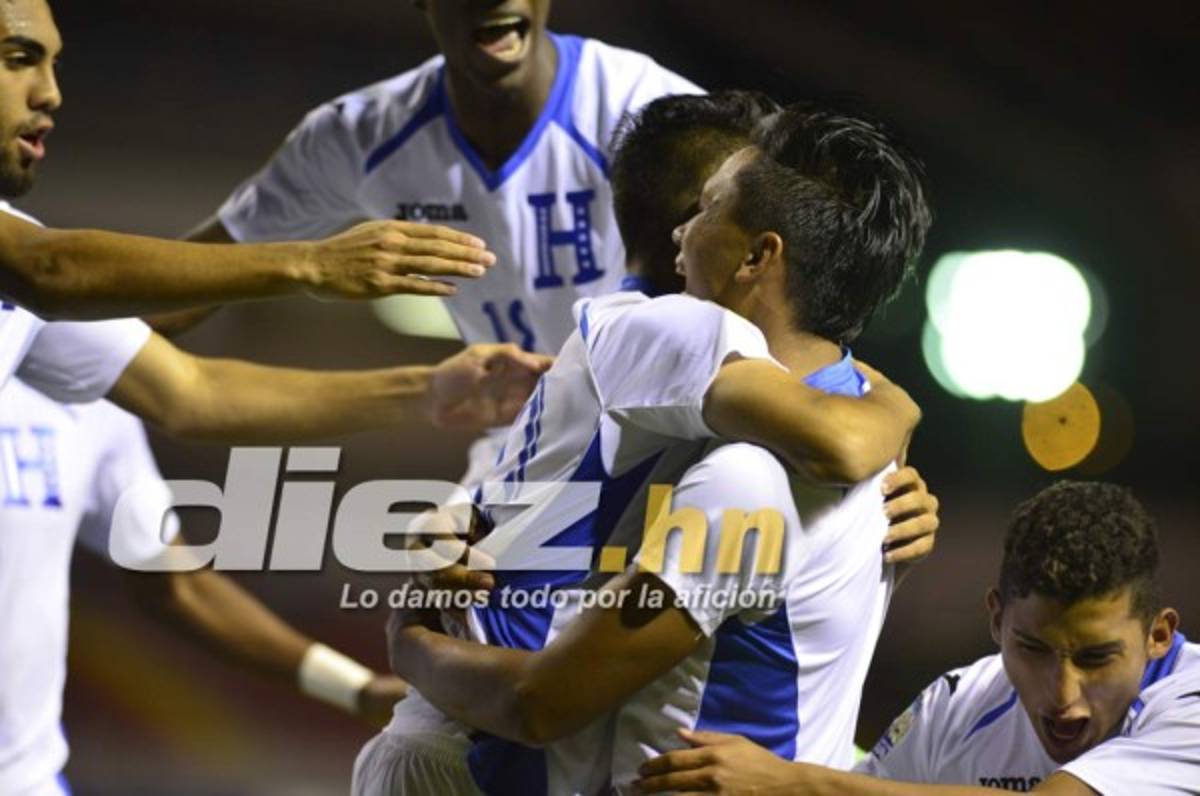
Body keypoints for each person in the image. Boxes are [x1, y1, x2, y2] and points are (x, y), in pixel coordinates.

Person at [379, 98, 935, 795]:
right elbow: (845, 440)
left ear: (759, 253)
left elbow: (542, 701)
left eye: (707, 207)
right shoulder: (700, 351)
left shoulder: (749, 464)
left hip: (490, 737)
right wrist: (900, 406)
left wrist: (410, 638)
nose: (685, 228)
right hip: (467, 747)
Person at [190, 0, 703, 486]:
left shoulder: (647, 109)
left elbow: (767, 271)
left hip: (679, 432)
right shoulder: (361, 134)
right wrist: (309, 263)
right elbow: (194, 276)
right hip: (531, 442)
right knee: (445, 561)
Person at [635, 481, 1200, 796]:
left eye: (1096, 658)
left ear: (1157, 635)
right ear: (996, 620)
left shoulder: (1191, 704)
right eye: (1033, 650)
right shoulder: (956, 709)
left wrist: (789, 782)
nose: (1062, 694)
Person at [0, 378, 409, 796]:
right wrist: (419, 390)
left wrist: (357, 688)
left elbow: (179, 585)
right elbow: (189, 394)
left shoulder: (91, 400)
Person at [0, 0, 493, 322]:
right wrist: (310, 262)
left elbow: (191, 394)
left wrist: (424, 391)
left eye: (53, 64)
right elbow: (50, 268)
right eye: (19, 59)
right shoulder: (31, 265)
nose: (51, 94)